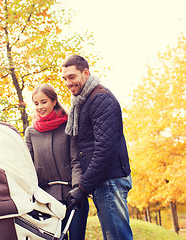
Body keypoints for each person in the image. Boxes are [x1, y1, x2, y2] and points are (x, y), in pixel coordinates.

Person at [61, 55, 133, 240]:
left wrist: (83, 188)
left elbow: (105, 149)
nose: (68, 83)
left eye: (72, 76)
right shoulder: (84, 101)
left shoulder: (100, 99)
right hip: (103, 181)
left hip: (110, 180)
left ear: (86, 73)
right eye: (65, 79)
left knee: (117, 237)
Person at [25, 83, 89, 240]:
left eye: (44, 101)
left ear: (54, 101)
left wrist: (78, 190)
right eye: (36, 103)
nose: (40, 106)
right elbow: (28, 167)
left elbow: (76, 161)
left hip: (72, 196)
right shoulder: (31, 132)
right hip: (45, 200)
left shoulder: (68, 126)